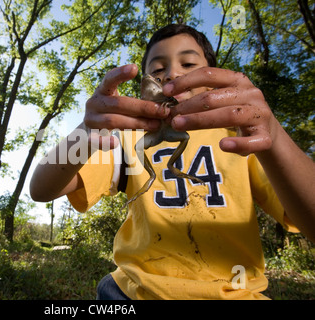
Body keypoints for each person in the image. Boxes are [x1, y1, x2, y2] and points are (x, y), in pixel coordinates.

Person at [29, 24, 315, 300]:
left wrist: (272, 136)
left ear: (213, 76)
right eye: (157, 69)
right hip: (132, 292)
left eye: (189, 65)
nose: (172, 74)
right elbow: (42, 189)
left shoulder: (241, 139)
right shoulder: (127, 138)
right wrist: (86, 132)